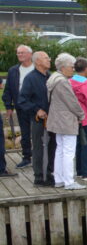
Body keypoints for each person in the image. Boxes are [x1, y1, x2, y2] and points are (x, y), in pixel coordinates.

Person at [47, 53, 85, 190]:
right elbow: (72, 102)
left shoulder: (53, 78)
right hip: (66, 120)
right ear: (63, 67)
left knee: (60, 150)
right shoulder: (62, 81)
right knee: (68, 151)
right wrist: (81, 115)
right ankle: (69, 181)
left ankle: (59, 179)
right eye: (71, 66)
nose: (73, 69)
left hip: (56, 119)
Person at [19, 50, 56, 186]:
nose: (49, 60)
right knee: (39, 148)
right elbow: (22, 100)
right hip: (39, 120)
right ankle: (39, 177)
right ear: (38, 61)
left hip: (53, 119)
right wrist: (37, 109)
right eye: (46, 58)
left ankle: (49, 173)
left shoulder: (50, 76)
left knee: (52, 146)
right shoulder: (30, 78)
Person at [3, 43, 35, 168]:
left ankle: (41, 156)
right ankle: (27, 157)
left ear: (30, 54)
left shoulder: (37, 69)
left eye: (22, 52)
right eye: (18, 53)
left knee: (40, 133)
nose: (20, 55)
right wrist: (8, 106)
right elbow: (8, 90)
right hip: (21, 107)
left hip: (37, 107)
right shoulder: (13, 71)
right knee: (25, 134)